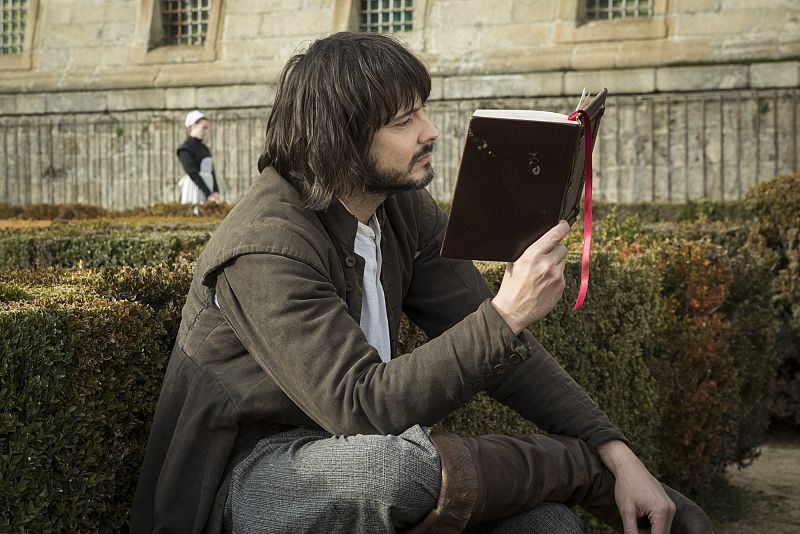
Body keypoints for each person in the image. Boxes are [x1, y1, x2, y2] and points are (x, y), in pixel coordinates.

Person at [131, 33, 714, 534]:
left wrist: (616, 448)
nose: (431, 131)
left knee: (547, 523)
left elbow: (500, 349)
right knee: (392, 470)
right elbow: (359, 408)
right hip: (249, 478)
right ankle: (581, 472)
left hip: (375, 445)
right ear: (343, 136)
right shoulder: (266, 243)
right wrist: (589, 464)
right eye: (404, 120)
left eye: (423, 111)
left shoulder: (400, 209)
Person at [178, 110, 222, 214]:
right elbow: (193, 173)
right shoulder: (185, 149)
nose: (206, 131)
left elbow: (212, 172)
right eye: (204, 128)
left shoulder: (204, 148)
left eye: (207, 128)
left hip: (208, 186)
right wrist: (209, 194)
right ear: (193, 126)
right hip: (195, 187)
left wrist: (215, 192)